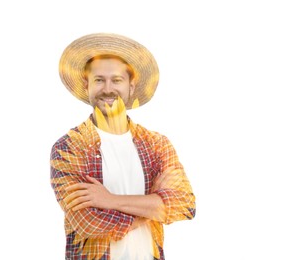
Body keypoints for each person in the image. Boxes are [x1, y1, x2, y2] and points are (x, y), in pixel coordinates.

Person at [50, 33, 196, 260]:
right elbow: (87, 222)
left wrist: (109, 200)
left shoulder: (157, 144)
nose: (108, 89)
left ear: (131, 86)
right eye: (99, 80)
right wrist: (153, 208)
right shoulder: (69, 147)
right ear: (87, 85)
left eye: (116, 80)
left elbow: (184, 204)